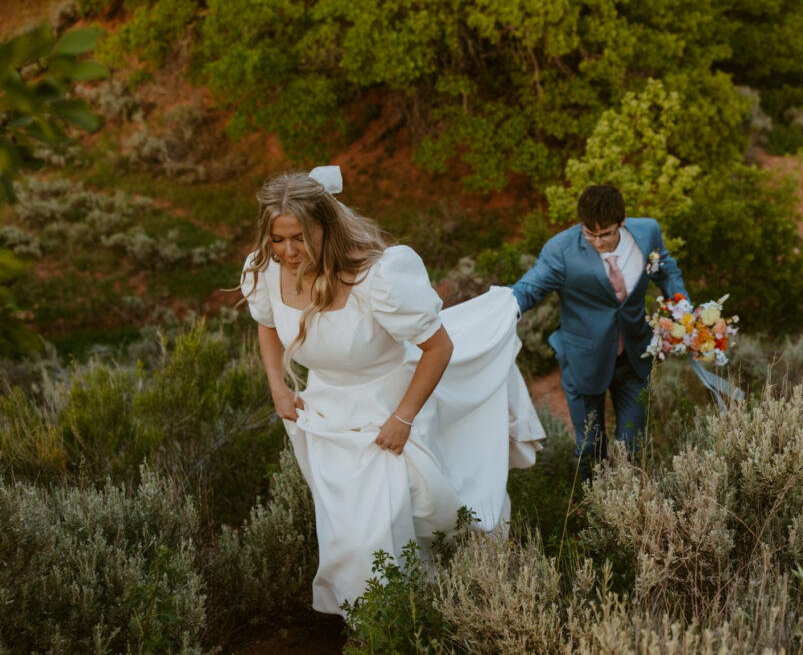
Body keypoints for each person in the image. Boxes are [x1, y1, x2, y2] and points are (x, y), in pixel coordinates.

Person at [240, 167, 544, 614]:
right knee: (347, 528)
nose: (288, 251)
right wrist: (278, 388)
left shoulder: (375, 278)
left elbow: (438, 347)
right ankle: (373, 620)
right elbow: (267, 325)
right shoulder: (264, 269)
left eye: (299, 238)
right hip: (324, 412)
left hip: (389, 403)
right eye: (278, 239)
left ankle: (399, 616)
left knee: (386, 523)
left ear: (326, 227)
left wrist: (402, 419)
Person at [510, 184, 687, 476]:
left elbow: (666, 271)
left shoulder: (647, 233)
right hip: (583, 359)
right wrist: (504, 307)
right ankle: (591, 509)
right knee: (590, 447)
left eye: (605, 233)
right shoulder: (560, 250)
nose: (597, 241)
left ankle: (627, 507)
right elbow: (529, 289)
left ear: (622, 221)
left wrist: (684, 309)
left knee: (633, 444)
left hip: (634, 355)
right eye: (589, 233)